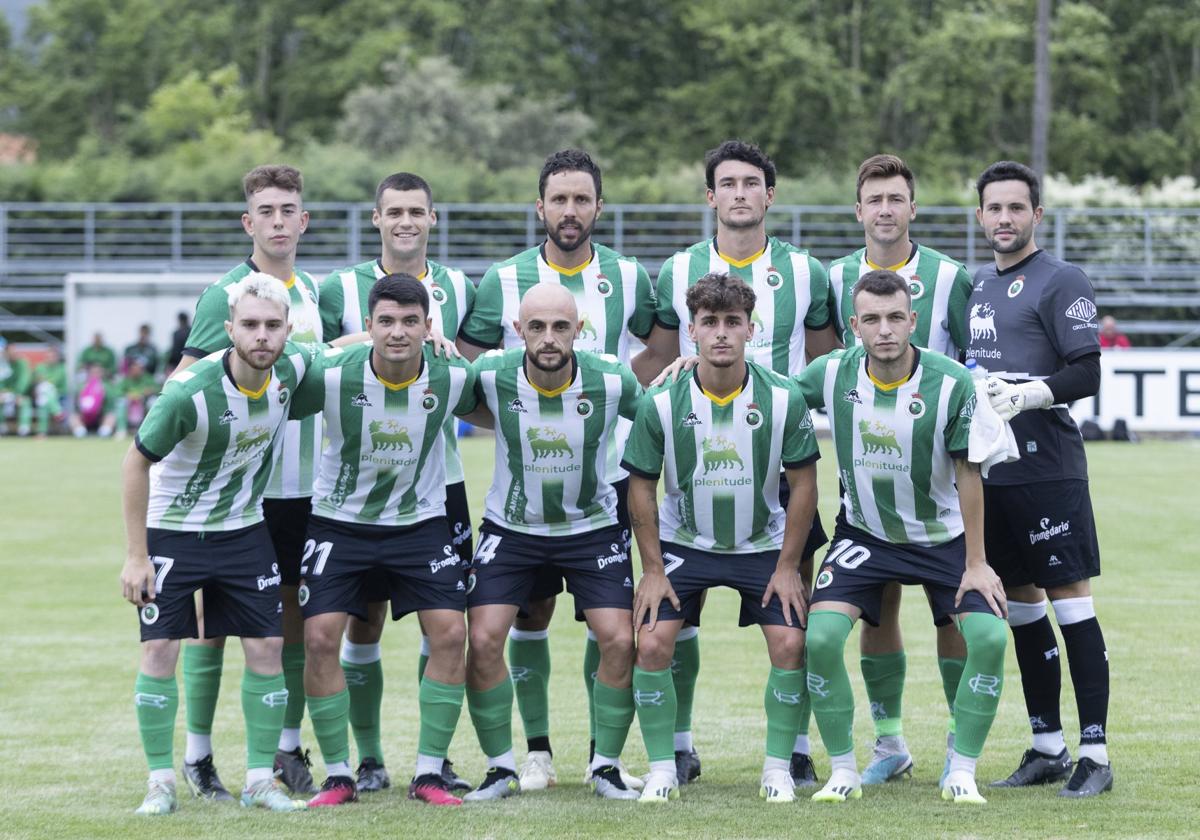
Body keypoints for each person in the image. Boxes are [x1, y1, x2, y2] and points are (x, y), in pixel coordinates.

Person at [456, 149, 654, 792]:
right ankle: (526, 754)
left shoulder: (630, 280)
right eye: (558, 199)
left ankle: (605, 757)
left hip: (603, 487)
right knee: (519, 623)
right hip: (516, 511)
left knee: (615, 633)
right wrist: (527, 422)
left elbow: (664, 350)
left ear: (599, 206)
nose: (570, 211)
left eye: (582, 199)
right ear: (539, 207)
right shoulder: (501, 280)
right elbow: (466, 375)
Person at [642, 140, 838, 786]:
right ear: (711, 196)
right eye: (727, 184)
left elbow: (827, 360)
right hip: (699, 449)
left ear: (769, 195)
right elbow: (662, 358)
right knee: (679, 618)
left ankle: (797, 748)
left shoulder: (807, 272)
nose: (739, 194)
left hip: (780, 454)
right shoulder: (676, 271)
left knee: (793, 615)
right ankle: (678, 744)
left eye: (751, 183)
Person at [799, 269, 1008, 805]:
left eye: (896, 318)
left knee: (988, 638)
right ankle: (850, 766)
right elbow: (763, 388)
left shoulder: (953, 381)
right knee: (819, 639)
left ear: (913, 320)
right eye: (872, 319)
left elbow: (969, 473)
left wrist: (977, 562)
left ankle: (961, 764)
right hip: (866, 535)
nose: (885, 329)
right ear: (853, 326)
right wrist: (692, 364)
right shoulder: (831, 373)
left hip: (944, 538)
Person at [118, 273, 315, 815]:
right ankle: (160, 782)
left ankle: (259, 781)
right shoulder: (189, 392)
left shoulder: (294, 369)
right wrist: (137, 556)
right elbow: (136, 462)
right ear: (229, 329)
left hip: (245, 531)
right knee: (160, 650)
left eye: (272, 326)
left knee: (267, 649)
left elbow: (344, 354)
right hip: (175, 532)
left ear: (287, 331)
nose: (261, 336)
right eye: (249, 325)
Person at [622, 272, 820, 804]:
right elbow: (640, 488)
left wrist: (787, 567)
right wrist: (654, 570)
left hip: (762, 545)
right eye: (710, 323)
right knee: (654, 642)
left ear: (751, 329)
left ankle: (778, 768)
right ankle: (664, 766)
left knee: (790, 642)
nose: (722, 334)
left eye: (733, 322)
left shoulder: (782, 398)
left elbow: (804, 486)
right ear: (692, 331)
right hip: (686, 544)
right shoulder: (661, 400)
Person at [289, 274, 486, 807]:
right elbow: (270, 373)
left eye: (409, 321)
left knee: (449, 634)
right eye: (386, 322)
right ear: (369, 326)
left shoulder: (453, 376)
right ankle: (338, 774)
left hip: (420, 524)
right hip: (338, 523)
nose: (397, 332)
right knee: (321, 639)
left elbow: (509, 401)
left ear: (428, 326)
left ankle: (428, 773)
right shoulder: (331, 375)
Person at [318, 171, 476, 794]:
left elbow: (490, 377)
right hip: (344, 509)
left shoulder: (464, 287)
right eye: (395, 211)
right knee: (348, 627)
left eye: (417, 210)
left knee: (446, 627)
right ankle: (359, 761)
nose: (406, 220)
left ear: (433, 218)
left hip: (434, 494)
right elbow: (298, 357)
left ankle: (431, 765)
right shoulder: (338, 297)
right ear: (376, 218)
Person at [174, 164, 324, 799]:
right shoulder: (224, 295)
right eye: (266, 211)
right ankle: (198, 756)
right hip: (236, 497)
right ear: (248, 222)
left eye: (289, 209)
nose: (279, 221)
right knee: (209, 626)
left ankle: (285, 750)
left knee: (288, 622)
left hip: (306, 489)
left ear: (304, 220)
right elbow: (182, 384)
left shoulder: (315, 292)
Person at [825, 154, 975, 785]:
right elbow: (822, 368)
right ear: (859, 211)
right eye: (874, 200)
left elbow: (971, 364)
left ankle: (955, 738)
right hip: (868, 475)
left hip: (940, 484)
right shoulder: (832, 279)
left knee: (954, 617)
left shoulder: (951, 277)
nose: (885, 210)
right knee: (876, 607)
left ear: (913, 208)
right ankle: (890, 743)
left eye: (896, 199)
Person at [969, 161, 1112, 797]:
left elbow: (1088, 372)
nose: (1004, 219)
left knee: (1072, 607)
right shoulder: (977, 286)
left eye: (1015, 209)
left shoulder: (1061, 280)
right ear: (980, 216)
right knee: (1023, 615)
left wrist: (1030, 395)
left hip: (1048, 475)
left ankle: (1096, 755)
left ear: (1037, 216)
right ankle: (1047, 745)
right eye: (994, 208)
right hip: (993, 480)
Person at [69, 362, 117, 438]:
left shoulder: (107, 387)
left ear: (102, 374)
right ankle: (80, 432)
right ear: (89, 373)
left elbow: (110, 406)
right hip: (84, 416)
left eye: (98, 372)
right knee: (73, 417)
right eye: (93, 372)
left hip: (100, 417)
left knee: (111, 416)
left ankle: (104, 432)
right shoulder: (81, 386)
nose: (95, 374)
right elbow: (77, 406)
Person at [32, 345, 68, 436]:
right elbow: (36, 380)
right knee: (44, 395)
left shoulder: (61, 368)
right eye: (49, 356)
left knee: (44, 398)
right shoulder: (40, 366)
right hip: (42, 394)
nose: (51, 358)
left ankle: (42, 432)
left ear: (57, 357)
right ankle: (58, 412)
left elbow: (54, 382)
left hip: (59, 394)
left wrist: (44, 380)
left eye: (53, 356)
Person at [0, 338, 32, 436]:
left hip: (20, 394)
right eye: (10, 351)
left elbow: (24, 380)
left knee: (25, 402)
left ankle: (24, 429)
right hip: (6, 393)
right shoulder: (3, 364)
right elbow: (2, 381)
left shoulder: (22, 363)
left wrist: (18, 394)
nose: (13, 353)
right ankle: (2, 427)